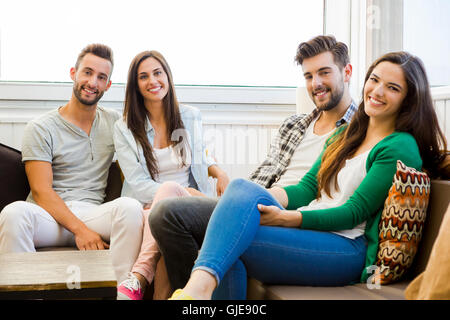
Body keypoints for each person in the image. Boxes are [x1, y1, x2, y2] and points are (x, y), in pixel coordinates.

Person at [168, 51, 448, 300]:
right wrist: (262, 199)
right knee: (241, 198)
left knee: (229, 243)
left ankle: (194, 292)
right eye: (374, 79)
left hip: (347, 246)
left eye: (392, 88)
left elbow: (354, 211)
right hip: (316, 231)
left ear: (408, 99)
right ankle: (199, 291)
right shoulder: (344, 134)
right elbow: (306, 189)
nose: (376, 91)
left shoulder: (400, 145)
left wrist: (288, 218)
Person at [149, 35, 358, 298]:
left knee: (226, 235)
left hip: (293, 214)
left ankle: (196, 292)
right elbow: (262, 177)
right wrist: (234, 205)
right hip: (257, 204)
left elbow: (325, 195)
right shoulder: (294, 125)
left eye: (324, 73)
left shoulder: (359, 132)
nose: (315, 83)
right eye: (308, 76)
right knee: (165, 214)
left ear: (347, 72)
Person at [0, 44, 145, 285]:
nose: (93, 82)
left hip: (93, 212)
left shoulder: (115, 123)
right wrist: (81, 231)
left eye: (101, 77)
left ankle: (123, 292)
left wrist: (211, 168)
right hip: (49, 217)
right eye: (87, 72)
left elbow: (151, 149)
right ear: (73, 73)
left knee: (130, 208)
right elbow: (41, 191)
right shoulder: (41, 127)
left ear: (108, 85)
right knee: (13, 214)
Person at [113, 50, 229, 300]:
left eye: (157, 73)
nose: (152, 81)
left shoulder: (190, 115)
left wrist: (219, 172)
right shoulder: (124, 127)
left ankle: (139, 279)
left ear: (168, 76)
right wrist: (183, 193)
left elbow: (201, 156)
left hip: (187, 205)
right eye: (143, 77)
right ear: (136, 85)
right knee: (165, 208)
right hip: (146, 204)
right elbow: (137, 183)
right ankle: (148, 282)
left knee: (168, 216)